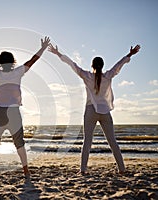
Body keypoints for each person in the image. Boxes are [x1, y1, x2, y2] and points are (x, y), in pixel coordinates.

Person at [48, 43, 140, 174]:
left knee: (87, 141)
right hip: (105, 112)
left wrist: (58, 54)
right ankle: (122, 169)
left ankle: (83, 170)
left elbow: (72, 64)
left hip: (90, 110)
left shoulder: (87, 76)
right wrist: (130, 54)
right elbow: (119, 64)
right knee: (112, 141)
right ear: (102, 66)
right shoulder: (107, 76)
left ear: (92, 65)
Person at [0, 36, 51, 178]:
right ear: (13, 62)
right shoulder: (17, 72)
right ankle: (25, 170)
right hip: (14, 112)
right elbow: (33, 60)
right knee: (19, 143)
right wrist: (43, 48)